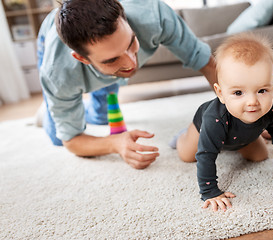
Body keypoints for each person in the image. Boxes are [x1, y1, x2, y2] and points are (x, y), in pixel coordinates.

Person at [36, 0, 216, 169]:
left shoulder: (153, 14)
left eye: (131, 43)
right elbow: (71, 141)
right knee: (58, 137)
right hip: (51, 41)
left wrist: (232, 106)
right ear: (82, 58)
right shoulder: (57, 74)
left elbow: (207, 63)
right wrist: (114, 143)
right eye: (112, 59)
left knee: (101, 116)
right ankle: (53, 106)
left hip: (98, 69)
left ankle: (71, 101)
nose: (131, 64)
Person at [173, 33, 273, 212]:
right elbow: (206, 156)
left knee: (260, 156)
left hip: (240, 136)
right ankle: (182, 136)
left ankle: (256, 133)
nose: (252, 102)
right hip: (205, 128)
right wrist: (210, 191)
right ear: (220, 93)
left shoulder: (271, 108)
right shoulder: (215, 119)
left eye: (262, 90)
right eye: (238, 93)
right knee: (187, 155)